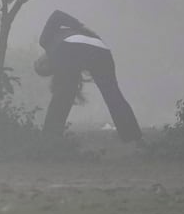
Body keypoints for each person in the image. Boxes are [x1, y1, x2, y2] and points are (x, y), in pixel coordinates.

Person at [35, 10, 142, 142]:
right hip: (101, 49)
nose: (43, 64)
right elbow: (56, 15)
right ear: (52, 69)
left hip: (73, 47)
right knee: (113, 95)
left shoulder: (45, 41)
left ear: (41, 58)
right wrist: (79, 27)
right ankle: (133, 137)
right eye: (44, 69)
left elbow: (57, 15)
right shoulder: (56, 48)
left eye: (39, 64)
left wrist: (79, 26)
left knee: (63, 95)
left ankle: (50, 138)